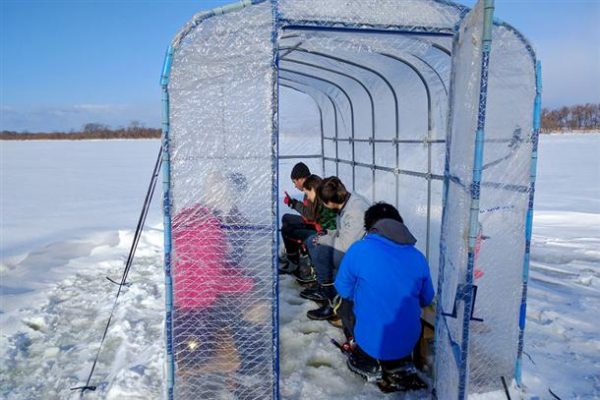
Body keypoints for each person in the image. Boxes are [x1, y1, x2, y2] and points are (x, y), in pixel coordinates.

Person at [334, 202, 434, 388]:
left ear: (370, 227)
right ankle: (402, 361)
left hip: (371, 341)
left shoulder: (359, 250)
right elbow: (426, 299)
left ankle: (366, 358)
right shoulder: (418, 257)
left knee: (344, 304)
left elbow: (343, 289)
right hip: (407, 342)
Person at [303, 176, 369, 320]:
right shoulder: (345, 204)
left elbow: (346, 247)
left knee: (321, 252)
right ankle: (323, 287)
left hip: (362, 257)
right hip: (354, 249)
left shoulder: (355, 212)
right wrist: (327, 234)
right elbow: (344, 233)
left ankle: (333, 302)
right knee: (312, 241)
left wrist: (324, 239)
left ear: (330, 202)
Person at [279, 162, 313, 273]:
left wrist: (293, 204)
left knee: (287, 229)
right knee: (286, 218)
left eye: (294, 182)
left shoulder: (312, 190)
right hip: (311, 221)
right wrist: (292, 202)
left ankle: (294, 262)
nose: (295, 185)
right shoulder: (310, 186)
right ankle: (292, 255)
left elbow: (310, 214)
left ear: (301, 179)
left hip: (317, 228)